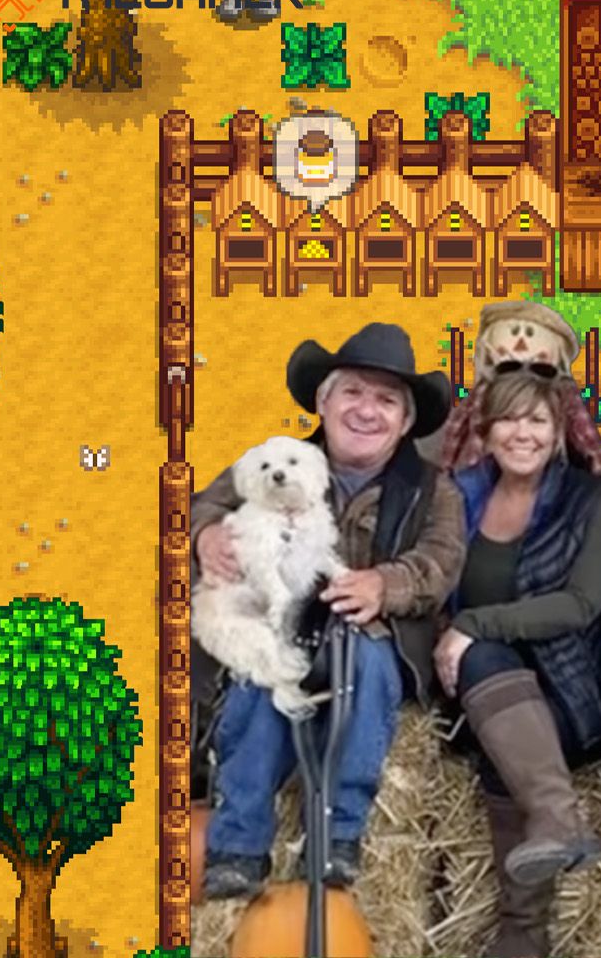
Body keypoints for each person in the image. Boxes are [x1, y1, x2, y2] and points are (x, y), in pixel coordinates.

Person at [190, 322, 467, 899]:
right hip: (279, 619)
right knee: (261, 675)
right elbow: (203, 506)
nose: (368, 410)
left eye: (387, 400)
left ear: (407, 421)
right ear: (324, 401)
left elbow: (441, 560)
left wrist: (383, 584)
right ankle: (238, 846)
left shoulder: (433, 489)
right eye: (354, 393)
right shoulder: (277, 460)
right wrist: (204, 536)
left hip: (370, 635)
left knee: (362, 666)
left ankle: (337, 836)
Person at [438, 368, 601, 957]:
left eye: (538, 420)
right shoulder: (456, 494)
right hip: (478, 691)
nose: (524, 433)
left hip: (573, 689)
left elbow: (581, 604)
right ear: (486, 430)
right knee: (499, 700)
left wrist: (471, 625)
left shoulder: (594, 499)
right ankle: (556, 824)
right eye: (509, 419)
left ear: (558, 432)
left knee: (506, 713)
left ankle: (523, 931)